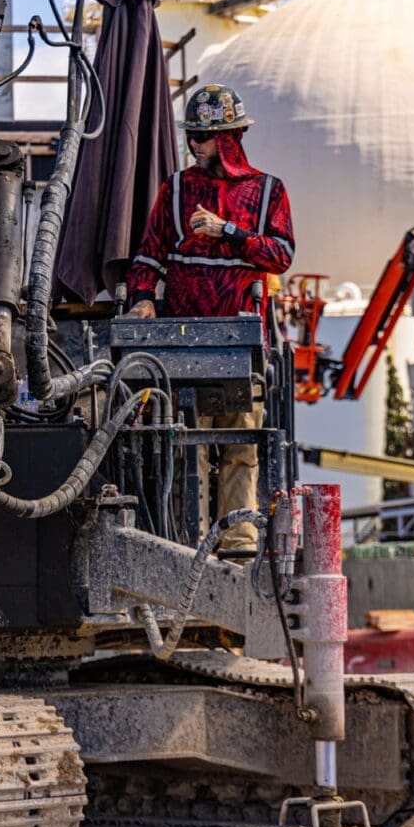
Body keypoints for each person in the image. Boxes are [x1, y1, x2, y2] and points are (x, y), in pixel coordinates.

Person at [125, 84, 294, 553]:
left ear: (230, 137)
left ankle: (238, 541)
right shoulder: (176, 189)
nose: (193, 143)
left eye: (202, 135)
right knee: (189, 440)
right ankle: (194, 539)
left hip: (240, 338)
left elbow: (281, 256)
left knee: (241, 442)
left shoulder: (267, 192)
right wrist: (143, 297)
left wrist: (230, 232)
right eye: (192, 134)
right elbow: (148, 256)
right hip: (184, 338)